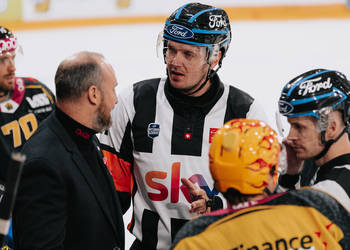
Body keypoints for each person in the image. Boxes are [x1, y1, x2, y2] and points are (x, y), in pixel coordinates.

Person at [99, 2, 268, 249]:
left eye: (188, 54)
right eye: (170, 50)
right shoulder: (134, 102)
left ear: (215, 56)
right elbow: (109, 194)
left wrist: (217, 206)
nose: (174, 62)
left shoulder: (244, 114)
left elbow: (266, 201)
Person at [172, 118, 350, 249]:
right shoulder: (318, 214)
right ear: (272, 174)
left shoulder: (193, 238)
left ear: (215, 175)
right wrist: (289, 176)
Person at [13, 51, 125, 250]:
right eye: (113, 90)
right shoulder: (42, 164)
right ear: (93, 94)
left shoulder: (86, 137)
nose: (116, 100)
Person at [0, 26, 55, 249]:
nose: (12, 67)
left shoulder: (36, 91)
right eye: (3, 60)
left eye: (13, 57)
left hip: (48, 206)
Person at [277, 68, 350, 211]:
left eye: (299, 127)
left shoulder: (333, 191)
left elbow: (276, 228)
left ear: (330, 128)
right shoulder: (321, 168)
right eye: (290, 125)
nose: (290, 137)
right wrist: (291, 175)